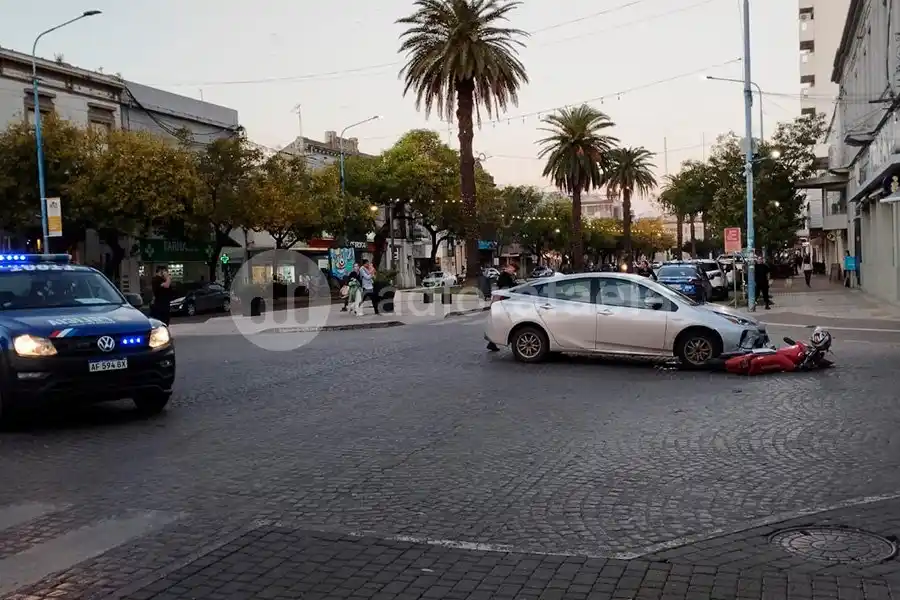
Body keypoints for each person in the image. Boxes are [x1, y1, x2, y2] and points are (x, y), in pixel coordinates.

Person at [487, 264, 518, 352]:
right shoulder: (505, 276)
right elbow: (507, 288)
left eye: (514, 269)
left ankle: (492, 342)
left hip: (502, 301)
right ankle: (492, 342)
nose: (513, 271)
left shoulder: (506, 276)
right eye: (512, 269)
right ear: (508, 268)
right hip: (503, 302)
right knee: (501, 322)